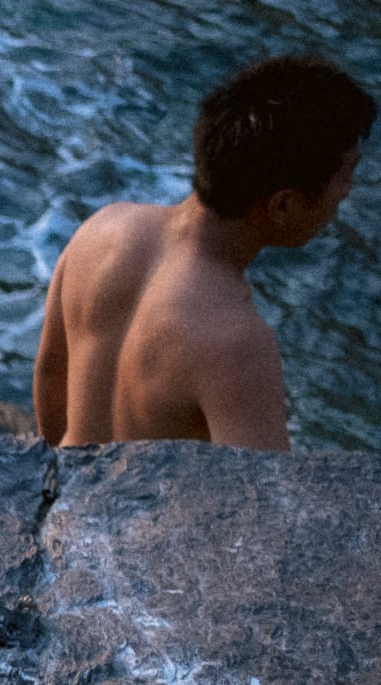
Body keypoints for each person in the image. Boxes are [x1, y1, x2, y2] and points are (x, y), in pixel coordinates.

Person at [33, 54, 374, 450]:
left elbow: (50, 378)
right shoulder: (237, 344)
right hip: (143, 512)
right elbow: (261, 499)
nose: (349, 190)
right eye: (347, 174)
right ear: (282, 205)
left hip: (67, 495)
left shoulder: (101, 229)